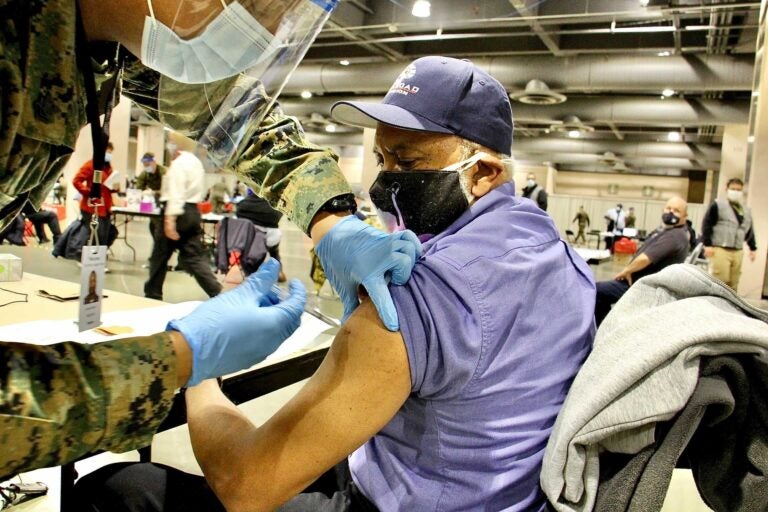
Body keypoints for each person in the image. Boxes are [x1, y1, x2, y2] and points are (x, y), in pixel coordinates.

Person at [75, 56, 596, 512]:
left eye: (408, 162)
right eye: (382, 159)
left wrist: (198, 366)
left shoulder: (418, 289)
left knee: (116, 486)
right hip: (501, 491)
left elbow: (246, 485)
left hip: (409, 499)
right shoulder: (559, 255)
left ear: (483, 173)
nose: (383, 182)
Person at [0, 0, 420, 479]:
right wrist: (177, 360)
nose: (262, 28)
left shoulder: (118, 47)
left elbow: (242, 123)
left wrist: (333, 219)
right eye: (259, 5)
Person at [594, 196, 690, 326]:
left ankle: (602, 332)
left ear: (685, 216)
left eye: (676, 210)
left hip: (642, 286)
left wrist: (626, 270)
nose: (670, 212)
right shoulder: (670, 232)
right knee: (600, 294)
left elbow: (646, 258)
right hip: (640, 282)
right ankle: (605, 328)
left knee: (594, 290)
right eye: (668, 208)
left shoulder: (675, 236)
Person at [144, 150, 223, 300]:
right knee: (194, 257)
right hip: (193, 211)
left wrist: (169, 220)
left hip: (178, 212)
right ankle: (217, 292)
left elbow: (176, 192)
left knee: (159, 257)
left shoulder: (179, 164)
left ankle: (152, 295)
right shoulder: (197, 163)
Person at [701, 178, 757, 289]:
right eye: (733, 189)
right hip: (720, 248)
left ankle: (730, 306)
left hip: (737, 250)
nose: (735, 192)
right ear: (727, 189)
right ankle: (715, 304)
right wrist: (707, 244)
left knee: (733, 283)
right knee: (721, 281)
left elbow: (749, 229)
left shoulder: (745, 210)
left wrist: (753, 248)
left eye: (738, 190)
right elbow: (707, 224)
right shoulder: (718, 205)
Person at [73, 141, 118, 246]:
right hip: (91, 207)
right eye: (107, 152)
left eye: (110, 153)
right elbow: (76, 181)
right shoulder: (91, 165)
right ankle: (85, 257)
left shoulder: (108, 168)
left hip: (105, 208)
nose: (108, 155)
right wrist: (89, 192)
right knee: (97, 234)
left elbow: (108, 187)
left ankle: (98, 258)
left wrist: (115, 188)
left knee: (107, 235)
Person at [236, 190, 287, 282]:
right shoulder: (273, 206)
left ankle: (251, 273)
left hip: (251, 238)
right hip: (271, 237)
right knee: (274, 253)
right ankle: (279, 271)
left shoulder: (245, 204)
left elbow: (238, 212)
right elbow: (278, 216)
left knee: (246, 249)